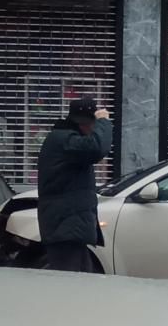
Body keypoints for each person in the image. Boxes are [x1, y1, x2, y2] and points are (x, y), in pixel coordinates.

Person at [37, 95, 113, 272]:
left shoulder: (66, 139)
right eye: (93, 125)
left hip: (69, 227)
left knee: (83, 280)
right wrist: (104, 121)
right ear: (84, 123)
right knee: (71, 283)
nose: (93, 129)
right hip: (65, 227)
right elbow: (97, 148)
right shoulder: (64, 140)